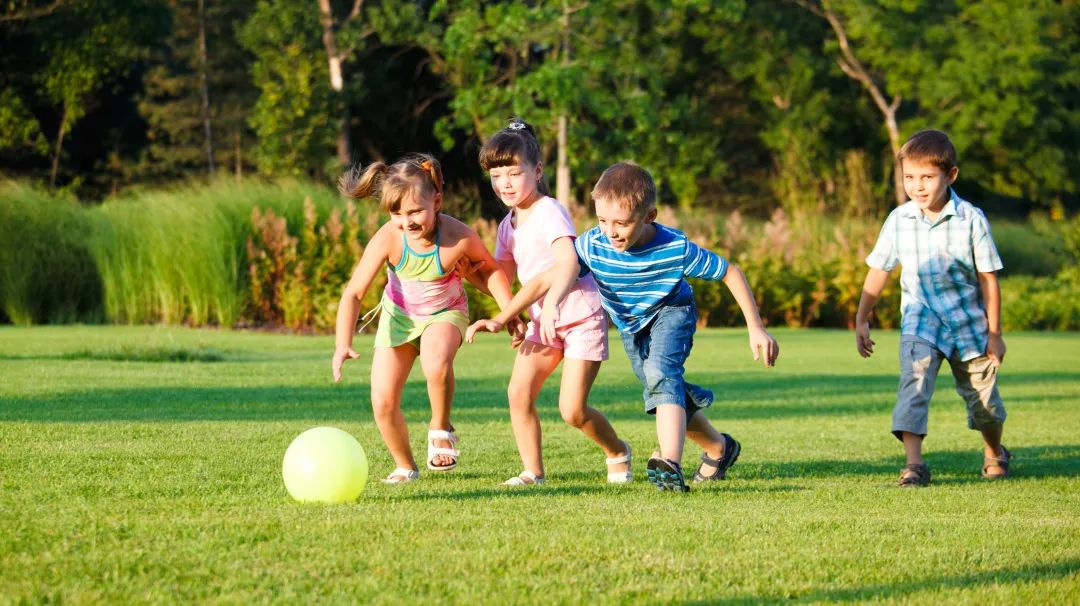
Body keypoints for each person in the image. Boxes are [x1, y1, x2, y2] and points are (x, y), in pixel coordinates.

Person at [476, 161, 778, 493]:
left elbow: (730, 272)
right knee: (661, 389)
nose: (611, 231)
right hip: (631, 326)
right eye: (603, 220)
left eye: (622, 223)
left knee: (662, 374)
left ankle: (670, 465)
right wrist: (504, 316)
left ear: (650, 216)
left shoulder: (674, 248)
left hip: (672, 311)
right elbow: (546, 279)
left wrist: (756, 328)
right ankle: (719, 448)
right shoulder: (594, 244)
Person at [332, 153, 519, 484]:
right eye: (397, 213)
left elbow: (490, 272)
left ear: (436, 199)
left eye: (416, 211)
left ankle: (440, 426)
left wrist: (510, 312)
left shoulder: (457, 236)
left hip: (445, 314)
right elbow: (354, 293)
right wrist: (342, 344)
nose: (407, 222)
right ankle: (405, 465)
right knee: (383, 401)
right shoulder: (389, 238)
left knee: (436, 362)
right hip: (399, 319)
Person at [465, 119, 631, 486]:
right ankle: (533, 472)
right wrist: (463, 271)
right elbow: (501, 280)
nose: (504, 183)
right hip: (544, 320)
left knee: (572, 410)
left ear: (537, 171)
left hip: (578, 314)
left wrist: (552, 303)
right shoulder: (507, 225)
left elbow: (568, 262)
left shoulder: (549, 210)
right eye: (496, 175)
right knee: (518, 392)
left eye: (513, 172)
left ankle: (617, 451)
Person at [855, 129, 1010, 487]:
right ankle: (914, 465)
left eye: (927, 177)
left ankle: (994, 451)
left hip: (969, 325)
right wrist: (863, 318)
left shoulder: (971, 219)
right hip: (920, 321)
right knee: (914, 384)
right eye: (910, 177)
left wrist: (995, 332)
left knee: (984, 405)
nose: (918, 186)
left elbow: (988, 280)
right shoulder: (899, 219)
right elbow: (879, 270)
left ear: (950, 175)